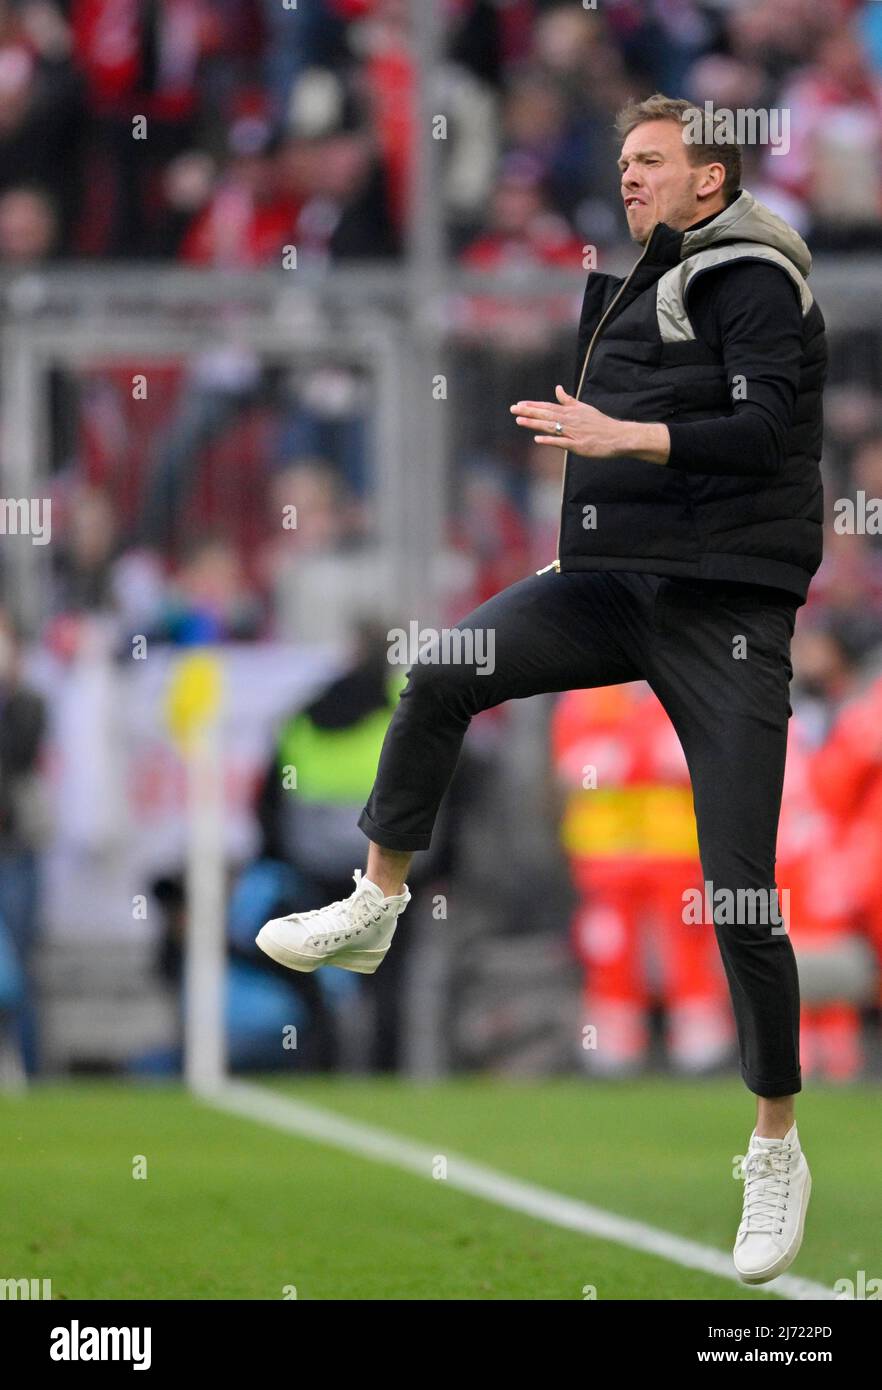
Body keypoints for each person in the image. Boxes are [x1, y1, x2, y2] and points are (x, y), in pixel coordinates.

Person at [257, 94, 827, 1285]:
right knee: (443, 670)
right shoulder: (655, 273)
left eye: (653, 162)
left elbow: (767, 428)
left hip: (723, 611)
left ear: (711, 179)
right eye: (621, 160)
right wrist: (597, 487)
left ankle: (775, 1143)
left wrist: (622, 441)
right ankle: (376, 900)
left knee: (737, 896)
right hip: (620, 582)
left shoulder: (758, 274)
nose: (629, 180)